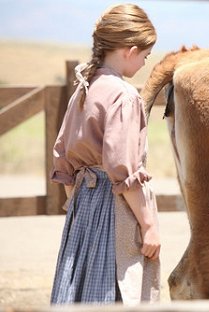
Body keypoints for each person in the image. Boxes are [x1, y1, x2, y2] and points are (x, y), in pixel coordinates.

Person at [50, 3, 160, 305]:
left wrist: (80, 203)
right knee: (115, 291)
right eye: (145, 56)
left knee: (81, 288)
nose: (144, 63)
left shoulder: (85, 88)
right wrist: (148, 224)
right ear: (130, 50)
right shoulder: (124, 95)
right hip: (116, 208)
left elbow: (63, 157)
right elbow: (121, 168)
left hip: (83, 204)